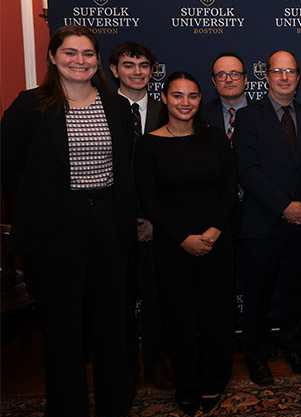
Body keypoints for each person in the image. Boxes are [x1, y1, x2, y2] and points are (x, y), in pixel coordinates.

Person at [1, 25, 134, 417]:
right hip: (54, 231)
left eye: (89, 53)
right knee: (63, 331)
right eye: (71, 52)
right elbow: (9, 169)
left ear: (99, 61)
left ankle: (115, 406)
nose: (81, 60)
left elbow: (126, 171)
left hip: (108, 226)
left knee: (111, 324)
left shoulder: (115, 106)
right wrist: (47, 202)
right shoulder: (31, 106)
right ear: (53, 57)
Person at [134, 71, 237, 417]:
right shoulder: (149, 144)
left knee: (215, 314)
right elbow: (148, 198)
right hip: (172, 242)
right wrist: (182, 238)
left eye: (192, 96)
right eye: (177, 95)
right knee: (179, 317)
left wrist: (213, 232)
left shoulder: (216, 138)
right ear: (164, 97)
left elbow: (229, 189)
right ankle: (187, 385)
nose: (185, 103)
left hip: (215, 239)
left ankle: (214, 381)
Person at [234, 50, 301, 385]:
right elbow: (248, 170)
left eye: (290, 71)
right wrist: (284, 206)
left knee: (296, 291)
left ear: (298, 77)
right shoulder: (249, 116)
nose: (284, 77)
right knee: (258, 294)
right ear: (265, 76)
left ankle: (293, 346)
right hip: (263, 222)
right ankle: (255, 353)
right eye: (277, 71)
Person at [108, 41, 174, 394]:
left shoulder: (169, 111)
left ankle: (156, 362)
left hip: (158, 224)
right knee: (117, 300)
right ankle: (125, 364)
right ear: (114, 70)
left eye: (144, 65)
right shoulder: (100, 110)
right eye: (129, 65)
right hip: (112, 224)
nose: (137, 71)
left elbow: (176, 174)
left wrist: (154, 220)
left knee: (157, 298)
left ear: (152, 70)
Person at [201, 52, 249, 143]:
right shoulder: (202, 116)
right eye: (221, 75)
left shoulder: (262, 115)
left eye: (234, 74)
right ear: (214, 81)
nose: (228, 80)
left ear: (245, 79)